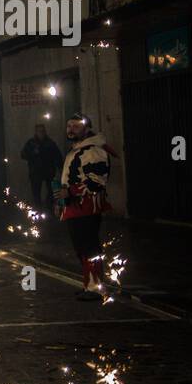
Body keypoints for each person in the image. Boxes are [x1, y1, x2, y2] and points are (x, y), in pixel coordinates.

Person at [55, 112, 114, 300]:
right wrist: (61, 202)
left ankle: (95, 287)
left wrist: (70, 192)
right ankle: (89, 285)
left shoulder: (93, 150)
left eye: (76, 126)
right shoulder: (77, 149)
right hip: (74, 208)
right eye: (69, 126)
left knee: (89, 247)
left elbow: (98, 180)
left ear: (86, 129)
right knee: (81, 248)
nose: (71, 130)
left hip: (87, 208)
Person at [20, 124, 63, 214]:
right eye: (39, 131)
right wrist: (32, 153)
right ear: (36, 132)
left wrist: (61, 168)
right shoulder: (31, 143)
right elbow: (23, 155)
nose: (41, 133)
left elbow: (57, 156)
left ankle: (49, 208)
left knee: (50, 192)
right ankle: (38, 210)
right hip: (36, 172)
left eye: (43, 131)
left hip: (48, 171)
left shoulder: (50, 143)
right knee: (36, 193)